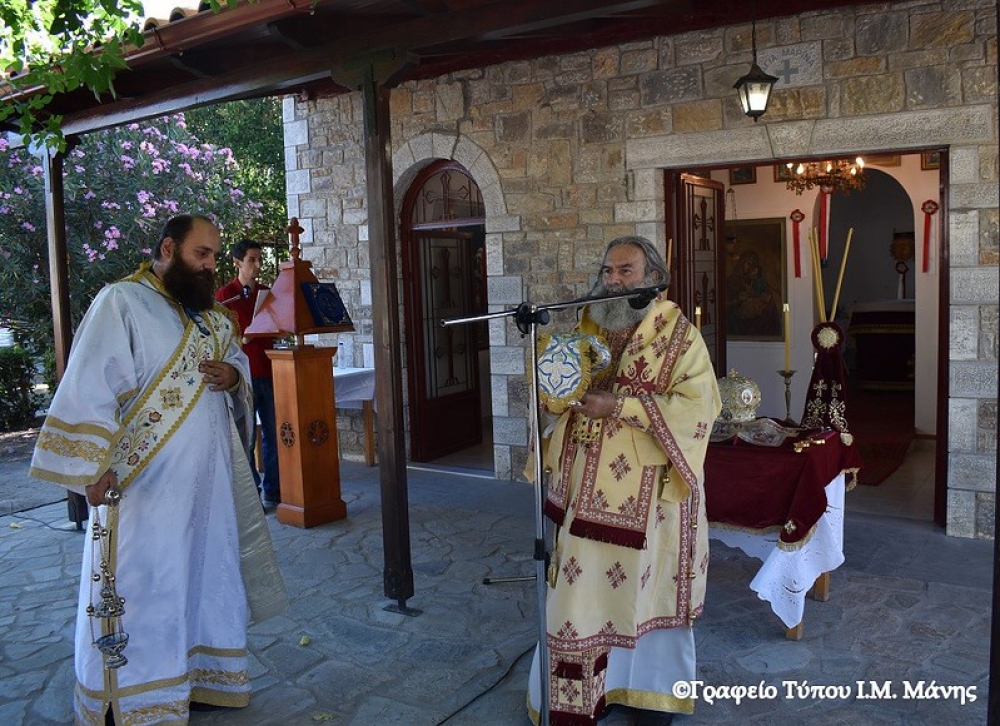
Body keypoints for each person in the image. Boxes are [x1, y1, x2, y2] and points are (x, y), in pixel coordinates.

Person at [30, 214, 287, 725]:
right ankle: (133, 695)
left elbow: (237, 360)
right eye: (202, 255)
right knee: (146, 584)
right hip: (143, 489)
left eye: (215, 256)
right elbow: (90, 381)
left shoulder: (212, 318)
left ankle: (200, 676)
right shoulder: (122, 302)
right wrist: (91, 466)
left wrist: (234, 372)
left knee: (204, 576)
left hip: (208, 487)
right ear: (168, 248)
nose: (212, 266)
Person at [527, 235, 721, 725]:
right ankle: (579, 698)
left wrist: (620, 406)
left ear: (653, 277)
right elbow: (557, 390)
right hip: (582, 491)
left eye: (626, 271)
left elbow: (700, 408)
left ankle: (647, 695)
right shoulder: (589, 322)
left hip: (650, 498)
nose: (613, 280)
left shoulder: (681, 336)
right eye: (608, 271)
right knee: (577, 595)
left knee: (644, 593)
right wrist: (556, 388)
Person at [216, 238, 281, 506]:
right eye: (252, 259)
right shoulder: (225, 296)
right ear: (237, 262)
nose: (257, 264)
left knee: (275, 435)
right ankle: (251, 495)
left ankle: (274, 492)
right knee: (247, 437)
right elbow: (221, 337)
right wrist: (245, 337)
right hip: (244, 375)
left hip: (272, 369)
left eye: (259, 259)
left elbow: (279, 326)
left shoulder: (267, 293)